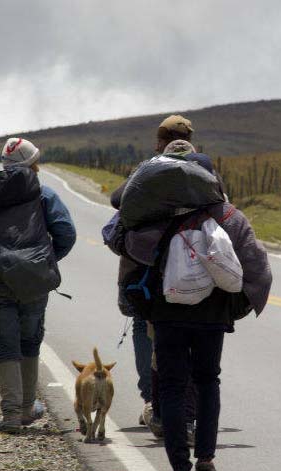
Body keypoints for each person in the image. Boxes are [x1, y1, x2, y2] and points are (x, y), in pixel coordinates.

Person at [112, 164, 272, 471]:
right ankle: (206, 459)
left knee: (171, 385)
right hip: (213, 316)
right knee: (207, 380)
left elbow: (119, 240)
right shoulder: (228, 217)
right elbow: (257, 264)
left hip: (167, 313)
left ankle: (180, 470)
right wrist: (240, 305)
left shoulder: (153, 217)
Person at [0, 138, 77, 433]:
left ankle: (9, 417)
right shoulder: (44, 194)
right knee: (30, 340)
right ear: (32, 165)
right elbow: (66, 233)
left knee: (5, 344)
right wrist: (44, 261)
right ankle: (27, 409)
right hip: (35, 279)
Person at [109, 115, 206, 442]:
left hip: (146, 266)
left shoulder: (147, 168)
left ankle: (153, 400)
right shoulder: (200, 170)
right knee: (189, 334)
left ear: (159, 139)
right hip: (190, 266)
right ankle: (184, 409)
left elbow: (116, 200)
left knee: (143, 327)